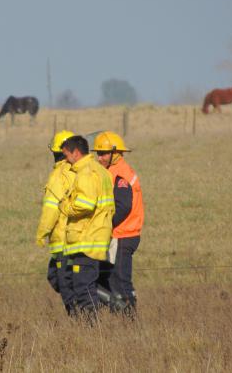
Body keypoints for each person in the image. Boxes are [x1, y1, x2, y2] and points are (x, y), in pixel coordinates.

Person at [58, 135, 114, 321]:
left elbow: (85, 204)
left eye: (66, 155)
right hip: (96, 236)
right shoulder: (100, 171)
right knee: (88, 284)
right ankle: (93, 326)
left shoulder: (86, 173)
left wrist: (64, 206)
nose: (65, 159)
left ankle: (92, 328)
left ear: (75, 152)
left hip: (86, 238)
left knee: (83, 286)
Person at [92, 131, 144, 319]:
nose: (99, 157)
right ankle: (122, 317)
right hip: (121, 234)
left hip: (123, 235)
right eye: (98, 153)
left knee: (121, 280)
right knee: (111, 279)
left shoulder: (120, 175)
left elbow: (122, 207)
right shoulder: (114, 171)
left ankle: (130, 319)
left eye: (103, 153)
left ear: (115, 153)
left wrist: (106, 225)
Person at [34, 130, 77, 315]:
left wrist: (42, 233)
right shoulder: (84, 171)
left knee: (65, 284)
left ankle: (81, 319)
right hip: (85, 238)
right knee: (63, 276)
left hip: (63, 241)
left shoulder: (58, 175)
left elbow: (50, 209)